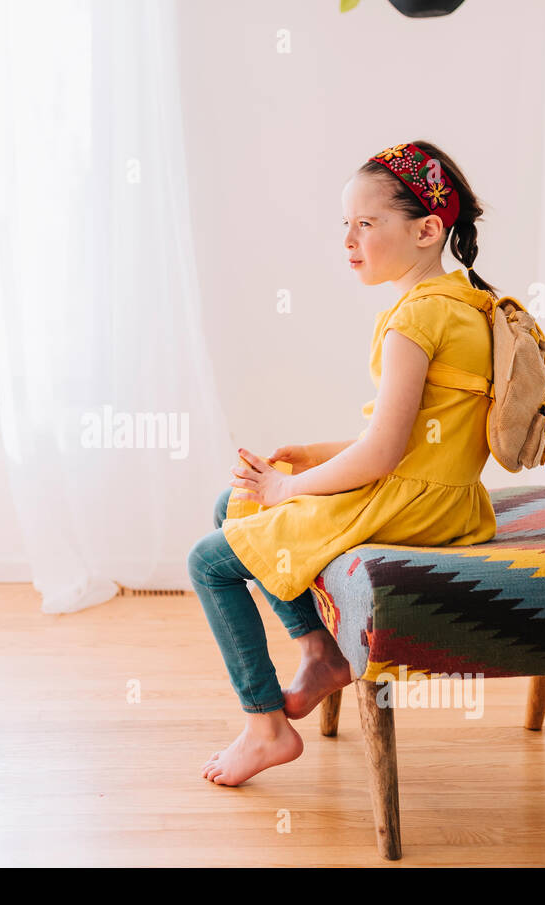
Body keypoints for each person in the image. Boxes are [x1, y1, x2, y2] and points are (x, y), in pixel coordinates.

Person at [187, 140, 499, 786]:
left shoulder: (413, 320)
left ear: (426, 230)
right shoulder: (461, 303)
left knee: (207, 561)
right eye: (345, 225)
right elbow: (411, 439)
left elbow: (384, 455)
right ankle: (321, 650)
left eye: (366, 223)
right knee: (233, 505)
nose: (349, 240)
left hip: (412, 507)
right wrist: (307, 458)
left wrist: (289, 486)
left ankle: (266, 725)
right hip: (448, 500)